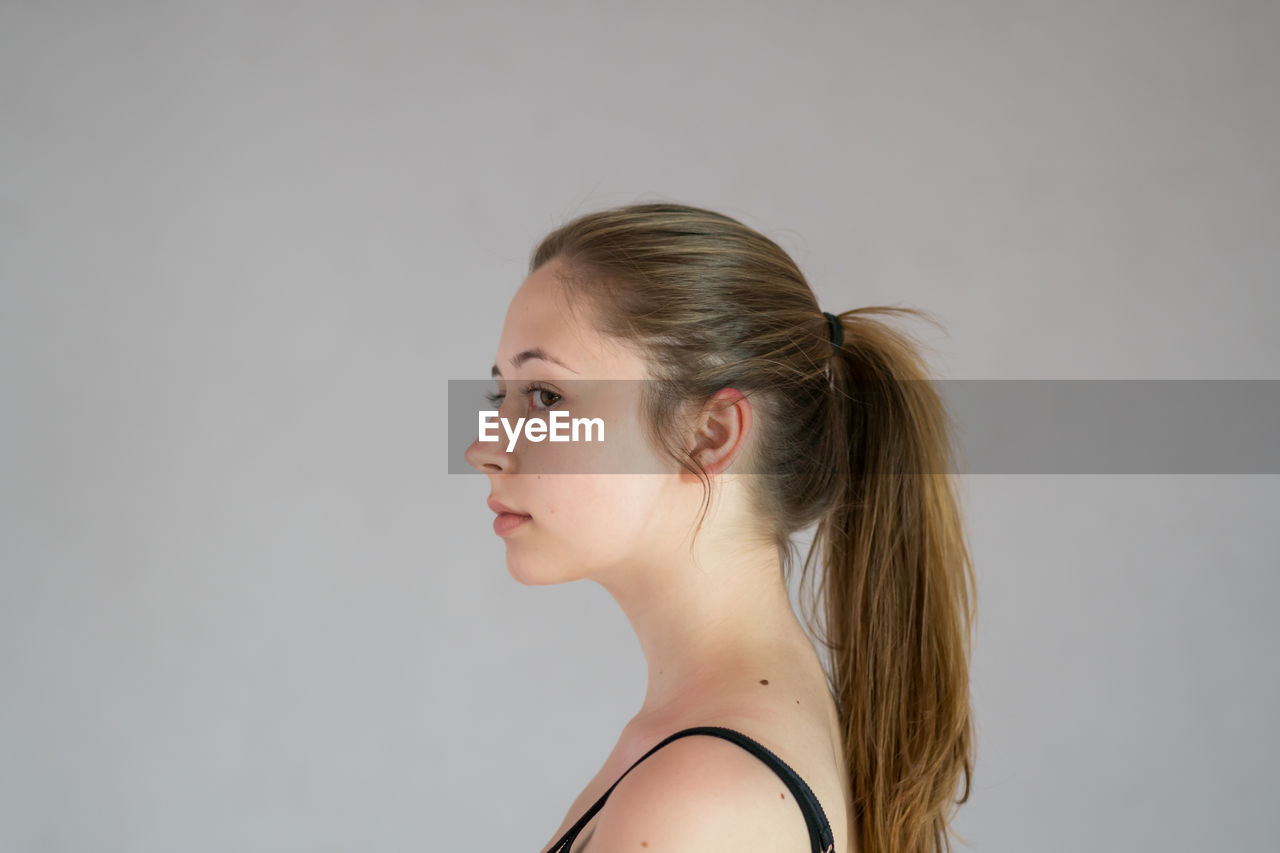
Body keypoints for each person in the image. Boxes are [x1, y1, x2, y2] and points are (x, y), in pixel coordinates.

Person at [464, 201, 976, 853]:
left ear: (709, 434)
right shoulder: (702, 751)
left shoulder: (698, 799)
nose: (483, 446)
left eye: (545, 397)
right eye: (498, 394)